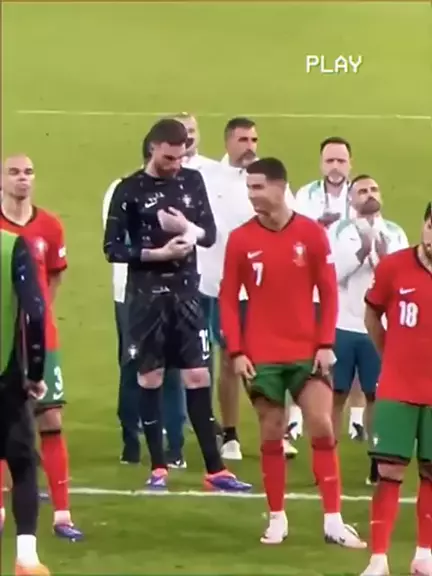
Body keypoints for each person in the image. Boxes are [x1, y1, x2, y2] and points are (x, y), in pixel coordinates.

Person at [219, 157, 365, 547]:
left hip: (306, 350)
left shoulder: (311, 234)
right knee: (271, 430)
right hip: (261, 354)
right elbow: (229, 298)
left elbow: (329, 291)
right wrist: (237, 351)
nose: (252, 195)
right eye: (249, 188)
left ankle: (333, 520)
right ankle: (277, 518)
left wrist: (325, 343)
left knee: (322, 424)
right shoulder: (241, 239)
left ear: (281, 188)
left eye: (258, 187)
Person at [103, 118, 251, 492]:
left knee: (198, 375)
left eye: (181, 157)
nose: (176, 165)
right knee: (150, 377)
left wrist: (187, 229)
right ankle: (158, 467)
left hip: (187, 295)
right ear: (153, 148)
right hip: (146, 298)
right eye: (169, 158)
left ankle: (216, 470)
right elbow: (112, 248)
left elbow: (209, 234)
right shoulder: (128, 190)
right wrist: (157, 254)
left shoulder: (192, 181)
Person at [0, 155, 83, 541]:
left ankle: (62, 514)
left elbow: (53, 280)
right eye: (14, 172)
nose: (22, 179)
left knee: (51, 419)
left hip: (40, 338)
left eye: (28, 172)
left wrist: (36, 318)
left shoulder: (49, 226)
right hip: (3, 339)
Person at [204, 117, 297, 460]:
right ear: (228, 142)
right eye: (243, 139)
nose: (250, 146)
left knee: (272, 359)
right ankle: (230, 435)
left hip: (265, 288)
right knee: (230, 360)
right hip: (222, 285)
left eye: (254, 139)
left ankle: (277, 432)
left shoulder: (269, 179)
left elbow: (291, 222)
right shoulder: (209, 178)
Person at [103, 135, 187, 468]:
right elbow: (117, 244)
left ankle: (174, 446)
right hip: (132, 293)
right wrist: (161, 250)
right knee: (134, 366)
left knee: (173, 367)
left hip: (175, 290)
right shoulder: (121, 190)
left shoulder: (180, 189)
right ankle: (132, 444)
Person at [361, 201, 432, 576]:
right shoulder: (394, 267)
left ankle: (425, 555)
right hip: (397, 388)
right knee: (388, 472)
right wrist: (388, 352)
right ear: (424, 225)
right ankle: (378, 559)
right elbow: (372, 312)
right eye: (431, 226)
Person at [329, 175, 409, 486]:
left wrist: (384, 259)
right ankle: (328, 460)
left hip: (379, 327)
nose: (369, 194)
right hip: (344, 325)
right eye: (362, 191)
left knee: (377, 395)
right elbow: (333, 274)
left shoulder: (396, 233)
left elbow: (402, 279)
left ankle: (377, 461)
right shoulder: (340, 231)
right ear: (351, 199)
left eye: (374, 189)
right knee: (336, 393)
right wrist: (362, 253)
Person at [295, 137, 365, 441]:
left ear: (350, 164)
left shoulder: (360, 193)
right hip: (311, 283)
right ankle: (296, 416)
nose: (335, 167)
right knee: (305, 349)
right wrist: (318, 227)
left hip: (351, 283)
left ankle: (357, 417)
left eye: (341, 161)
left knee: (357, 346)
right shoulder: (305, 195)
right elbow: (294, 233)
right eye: (330, 161)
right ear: (321, 163)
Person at [0, 228, 49, 575]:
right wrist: (35, 371)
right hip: (6, 377)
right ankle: (27, 559)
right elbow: (35, 312)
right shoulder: (10, 246)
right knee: (22, 463)